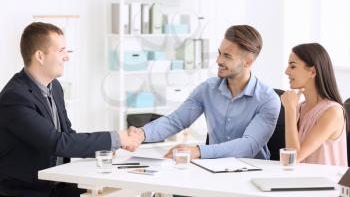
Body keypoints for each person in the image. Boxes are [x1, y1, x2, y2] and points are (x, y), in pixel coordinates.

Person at [0, 22, 140, 197]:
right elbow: (56, 142)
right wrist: (116, 138)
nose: (67, 57)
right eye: (61, 51)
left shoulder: (55, 87)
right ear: (40, 56)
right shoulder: (15, 98)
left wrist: (106, 148)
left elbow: (68, 134)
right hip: (29, 191)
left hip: (60, 186)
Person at [128, 25, 281, 160]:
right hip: (213, 170)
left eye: (227, 56)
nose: (219, 60)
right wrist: (142, 134)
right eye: (220, 53)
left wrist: (198, 151)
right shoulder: (208, 89)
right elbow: (176, 121)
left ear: (248, 62)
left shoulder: (268, 100)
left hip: (252, 173)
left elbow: (248, 146)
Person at [281, 43, 348, 166]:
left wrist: (289, 110)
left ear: (312, 71)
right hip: (301, 181)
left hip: (326, 184)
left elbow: (292, 159)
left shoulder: (333, 112)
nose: (286, 71)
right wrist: (292, 110)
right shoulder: (299, 107)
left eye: (293, 66)